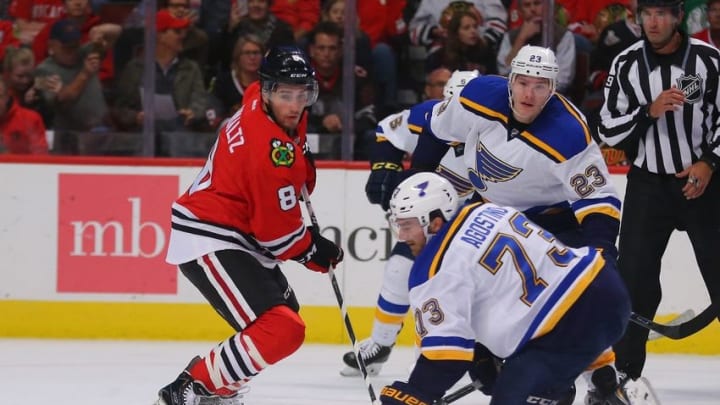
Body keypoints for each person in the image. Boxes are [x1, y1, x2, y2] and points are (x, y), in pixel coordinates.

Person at [392, 45, 626, 403]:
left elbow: (597, 201)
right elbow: (435, 129)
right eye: (522, 83)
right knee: (482, 298)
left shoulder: (568, 132)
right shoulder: (479, 97)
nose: (529, 94)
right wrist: (419, 183)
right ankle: (515, 373)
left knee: (562, 306)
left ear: (553, 88)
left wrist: (601, 252)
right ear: (510, 80)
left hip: (551, 222)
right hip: (490, 213)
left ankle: (587, 379)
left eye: (540, 85)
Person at [155, 46, 344, 405]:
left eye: (301, 94)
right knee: (283, 329)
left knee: (281, 321)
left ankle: (217, 387)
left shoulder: (259, 97)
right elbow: (277, 235)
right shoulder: (266, 153)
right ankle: (191, 387)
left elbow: (290, 149)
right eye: (285, 95)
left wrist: (300, 161)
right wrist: (314, 251)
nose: (294, 104)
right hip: (211, 234)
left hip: (237, 231)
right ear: (269, 90)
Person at [378, 172, 631, 405]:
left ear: (434, 223)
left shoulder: (432, 269)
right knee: (542, 361)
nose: (401, 236)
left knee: (517, 391)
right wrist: (484, 350)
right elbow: (532, 290)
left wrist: (414, 393)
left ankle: (554, 388)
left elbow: (445, 358)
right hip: (605, 290)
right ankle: (604, 380)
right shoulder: (487, 210)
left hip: (561, 333)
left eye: (407, 225)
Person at [598, 0, 720, 388]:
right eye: (647, 13)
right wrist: (647, 112)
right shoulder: (627, 64)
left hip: (705, 184)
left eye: (662, 13)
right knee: (634, 282)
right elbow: (607, 130)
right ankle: (624, 375)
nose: (653, 22)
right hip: (648, 186)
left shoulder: (709, 60)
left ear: (678, 16)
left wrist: (709, 163)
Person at [340, 69, 479, 377]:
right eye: (453, 109)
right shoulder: (428, 115)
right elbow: (387, 131)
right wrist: (384, 168)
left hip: (471, 215)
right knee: (399, 271)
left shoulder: (498, 135)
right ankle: (380, 344)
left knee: (461, 286)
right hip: (425, 215)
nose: (459, 121)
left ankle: (467, 354)